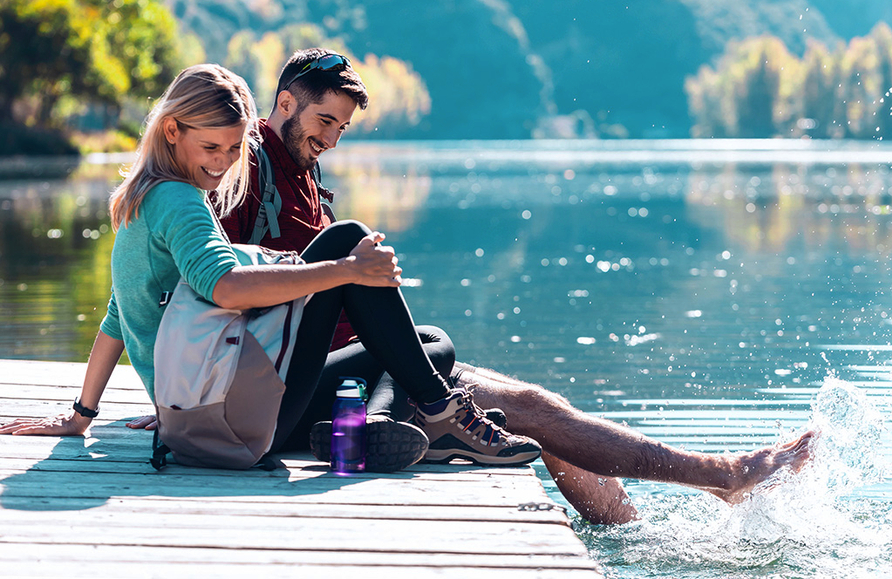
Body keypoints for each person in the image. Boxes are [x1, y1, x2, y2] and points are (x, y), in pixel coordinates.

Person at [219, 48, 814, 524]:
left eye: (342, 127)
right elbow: (199, 280)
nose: (332, 137)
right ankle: (724, 476)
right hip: (309, 387)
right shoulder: (245, 171)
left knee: (527, 399)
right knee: (528, 408)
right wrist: (187, 390)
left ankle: (632, 532)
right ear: (285, 101)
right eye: (325, 121)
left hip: (362, 369)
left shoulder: (301, 170)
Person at [0, 63, 542, 472]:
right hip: (236, 420)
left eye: (235, 149)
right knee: (350, 246)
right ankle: (438, 414)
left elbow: (119, 317)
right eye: (210, 146)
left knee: (428, 340)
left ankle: (374, 424)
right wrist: (346, 270)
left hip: (201, 417)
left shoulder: (139, 202)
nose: (222, 162)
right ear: (171, 132)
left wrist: (80, 415)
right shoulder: (179, 201)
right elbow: (228, 287)